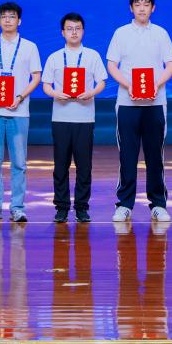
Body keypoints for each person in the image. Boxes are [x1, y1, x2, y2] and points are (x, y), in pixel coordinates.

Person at [106, 0, 172, 222]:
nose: (142, 8)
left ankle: (158, 204)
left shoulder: (161, 33)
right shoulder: (121, 33)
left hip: (155, 102)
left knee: (155, 155)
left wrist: (156, 84)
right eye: (138, 4)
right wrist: (129, 85)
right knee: (127, 155)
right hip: (127, 102)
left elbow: (171, 64)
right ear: (131, 8)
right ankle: (124, 204)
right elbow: (112, 65)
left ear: (153, 8)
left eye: (146, 4)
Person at [0, 2, 42, 223]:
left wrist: (20, 97)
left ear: (19, 21)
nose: (7, 20)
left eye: (12, 16)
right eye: (4, 16)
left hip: (19, 112)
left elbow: (36, 77)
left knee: (19, 163)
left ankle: (17, 207)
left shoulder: (29, 47)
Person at [40, 12, 107, 223]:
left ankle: (81, 208)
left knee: (84, 166)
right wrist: (55, 94)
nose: (74, 32)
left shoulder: (92, 56)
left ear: (83, 31)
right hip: (61, 117)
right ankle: (61, 207)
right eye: (69, 29)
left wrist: (92, 92)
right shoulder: (54, 57)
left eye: (77, 28)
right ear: (63, 32)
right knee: (60, 165)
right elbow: (46, 85)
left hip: (85, 118)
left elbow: (102, 81)